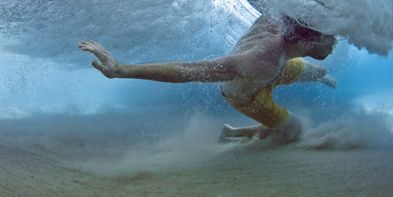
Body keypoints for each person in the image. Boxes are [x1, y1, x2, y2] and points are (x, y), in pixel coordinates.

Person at [78, 14, 337, 144]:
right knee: (294, 130)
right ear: (306, 40)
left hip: (278, 67)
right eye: (329, 36)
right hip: (247, 95)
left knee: (318, 72)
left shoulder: (283, 19)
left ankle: (321, 77)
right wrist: (123, 70)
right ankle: (234, 133)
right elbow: (189, 70)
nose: (334, 40)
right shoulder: (260, 61)